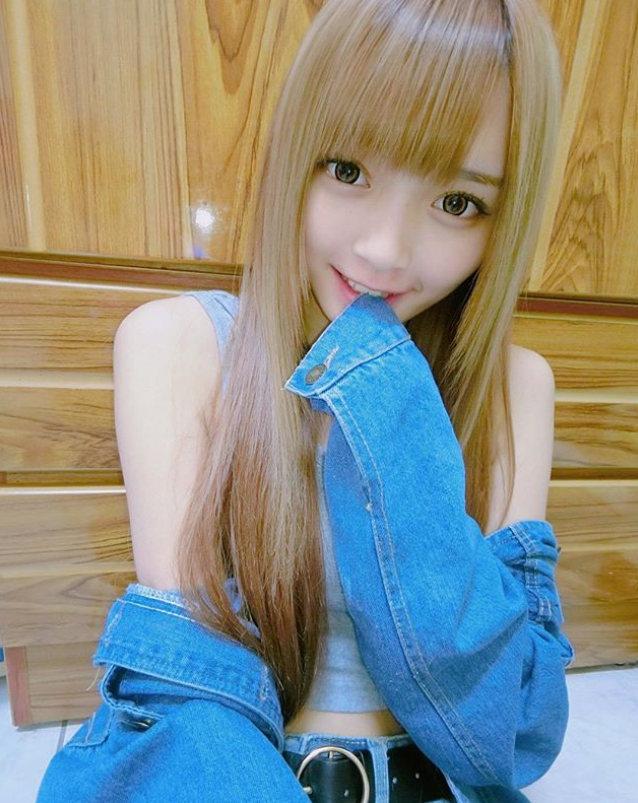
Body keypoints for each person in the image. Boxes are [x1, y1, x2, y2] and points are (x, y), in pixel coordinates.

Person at [37, 0, 574, 801]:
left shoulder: (514, 388)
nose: (384, 250)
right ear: (296, 150)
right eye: (348, 169)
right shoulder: (180, 344)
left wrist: (385, 394)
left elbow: (506, 729)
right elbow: (192, 699)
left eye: (458, 202)